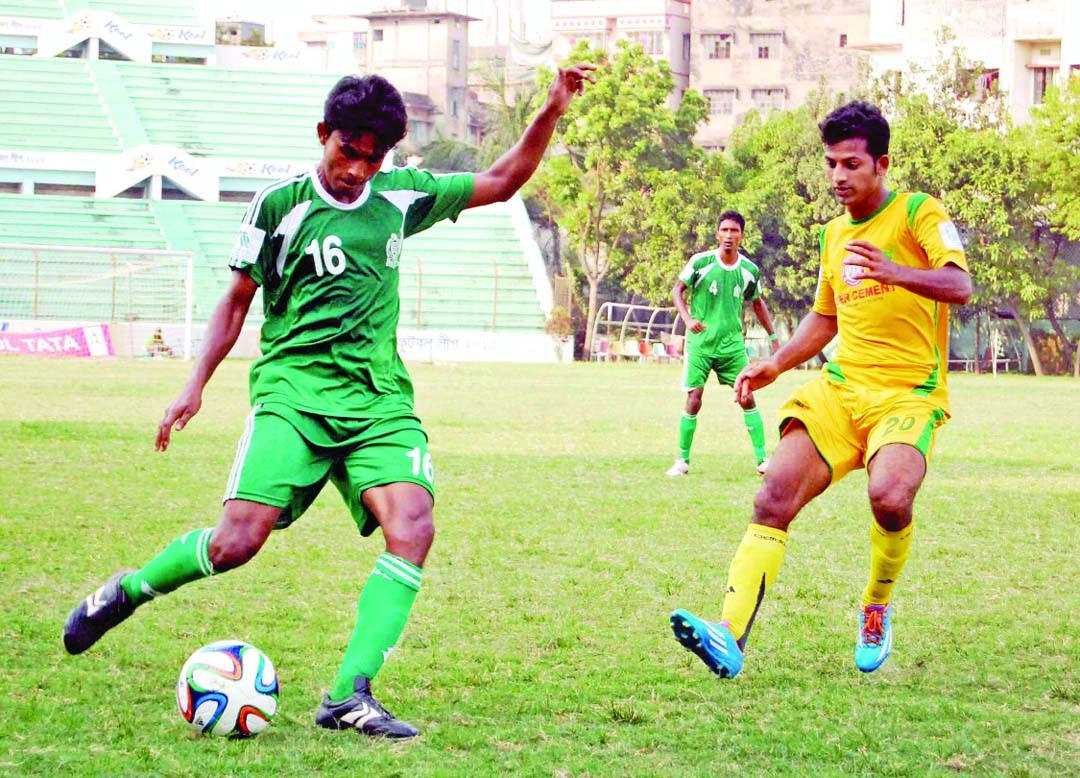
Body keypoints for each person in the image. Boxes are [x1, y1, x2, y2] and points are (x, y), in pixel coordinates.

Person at [62, 65, 595, 738]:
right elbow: (236, 299)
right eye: (349, 151)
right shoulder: (279, 206)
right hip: (295, 393)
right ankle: (128, 591)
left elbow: (503, 180)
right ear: (324, 136)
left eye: (374, 158)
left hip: (376, 401)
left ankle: (348, 696)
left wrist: (550, 108)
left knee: (415, 524)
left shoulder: (401, 196)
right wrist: (194, 384)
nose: (359, 170)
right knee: (235, 544)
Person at [670, 100, 971, 678]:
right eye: (832, 163)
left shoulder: (918, 213)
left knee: (890, 497)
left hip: (909, 393)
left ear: (880, 164)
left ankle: (875, 607)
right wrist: (775, 363)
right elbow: (825, 317)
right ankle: (728, 636)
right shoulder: (833, 234)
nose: (838, 176)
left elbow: (960, 284)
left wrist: (896, 271)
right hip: (840, 389)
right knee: (772, 497)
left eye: (851, 163)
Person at [665, 210, 779, 478]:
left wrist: (774, 338)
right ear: (717, 233)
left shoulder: (749, 270)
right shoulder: (701, 262)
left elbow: (758, 303)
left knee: (747, 396)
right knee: (694, 398)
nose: (729, 235)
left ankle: (763, 459)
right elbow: (677, 290)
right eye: (725, 230)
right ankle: (682, 460)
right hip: (701, 344)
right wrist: (687, 318)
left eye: (734, 231)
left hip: (731, 346)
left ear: (742, 235)